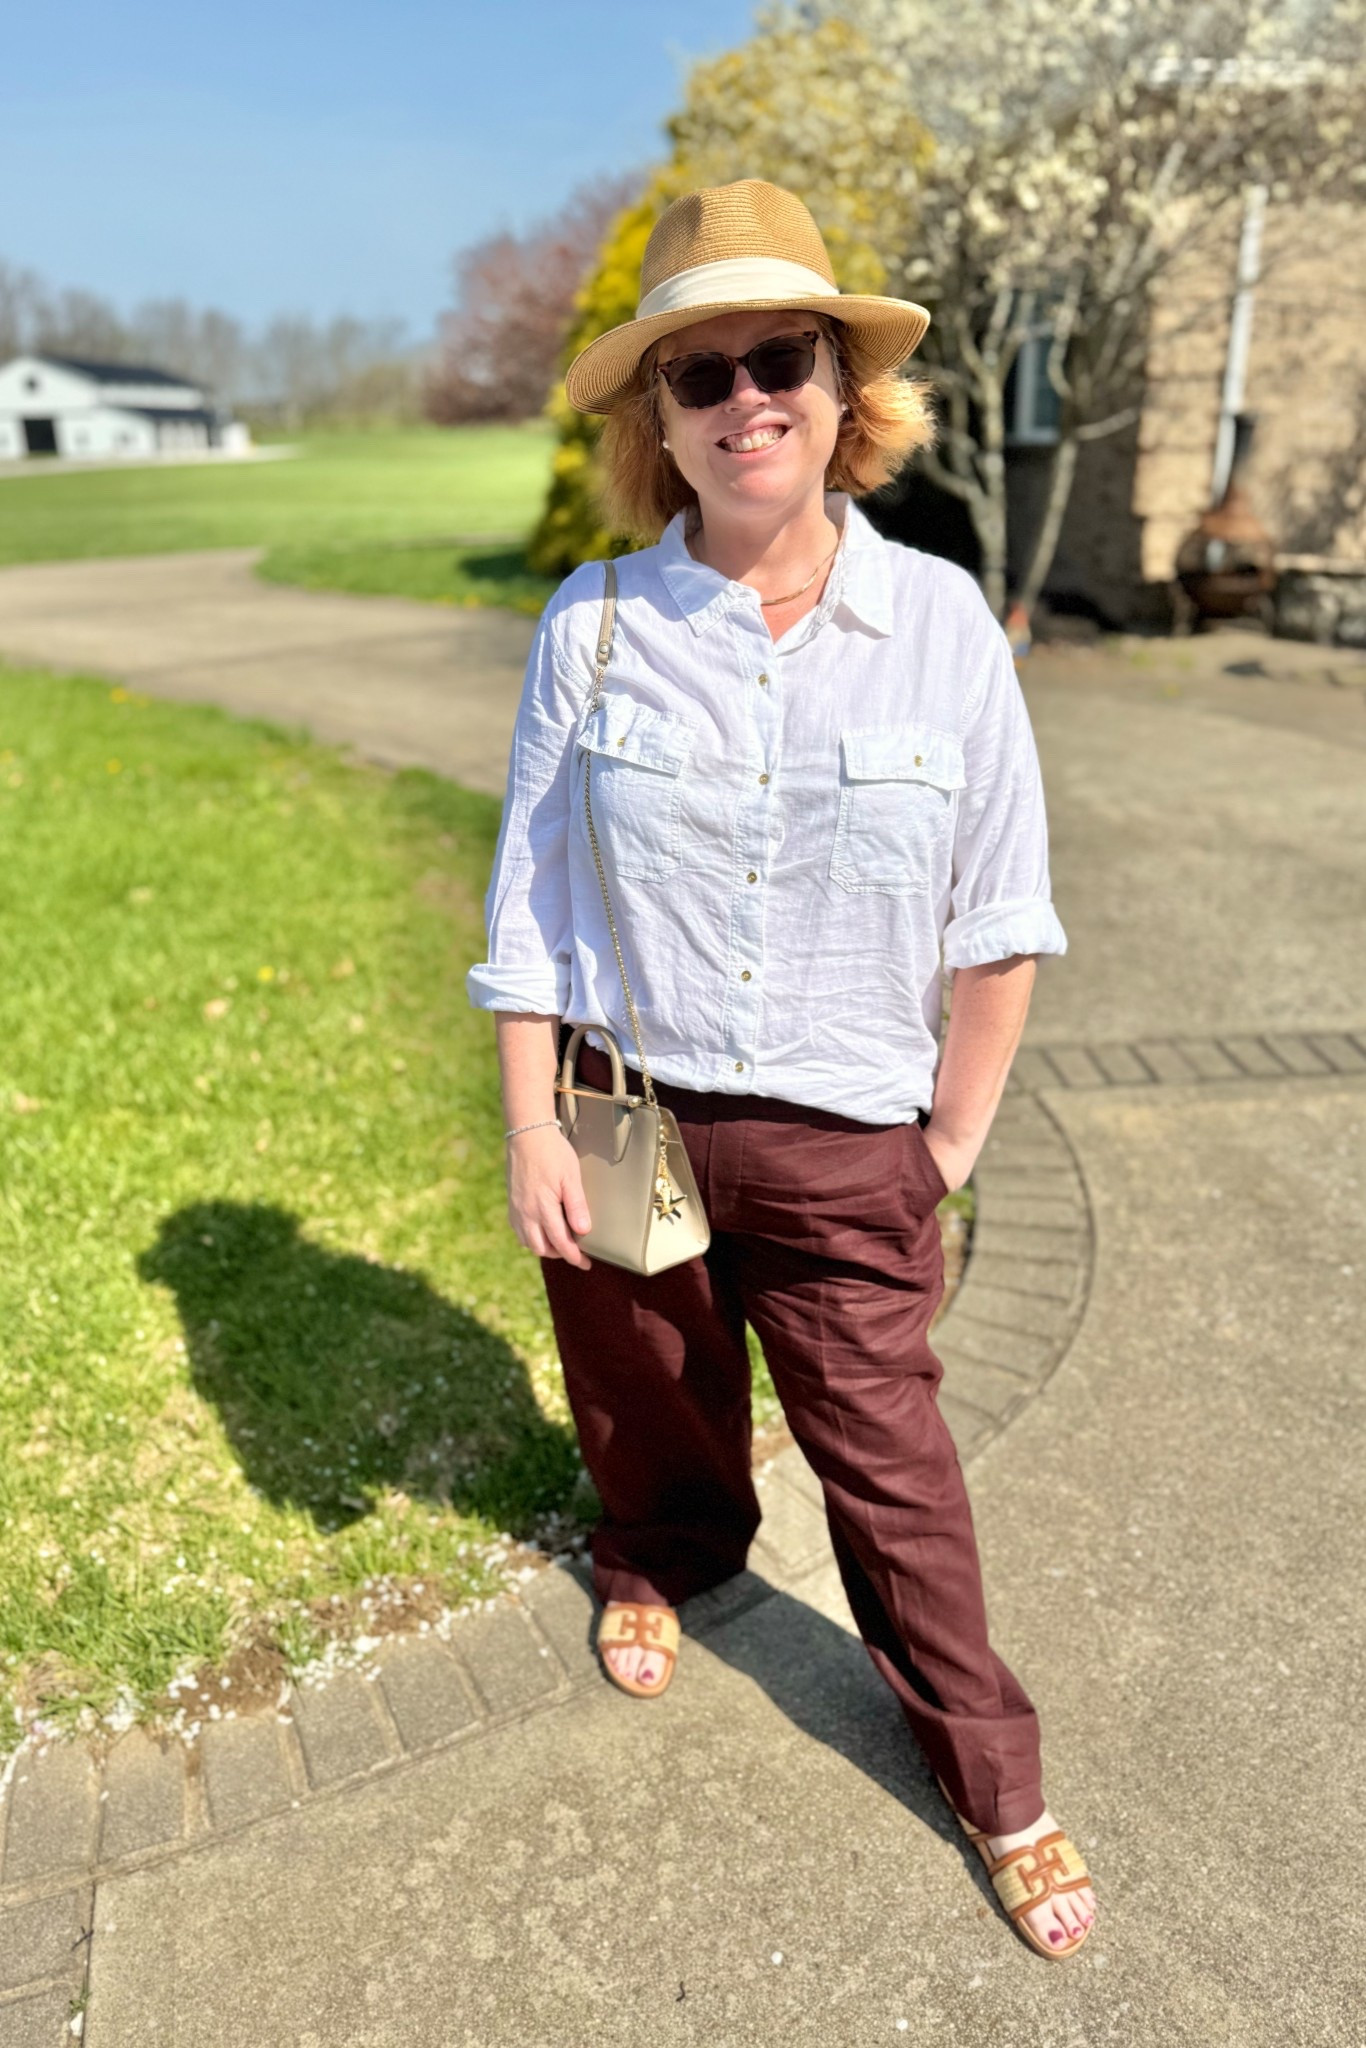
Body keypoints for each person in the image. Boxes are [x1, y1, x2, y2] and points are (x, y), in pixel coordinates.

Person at [466, 179, 1096, 1960]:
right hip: (620, 1103)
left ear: (843, 387)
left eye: (781, 358)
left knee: (891, 1461)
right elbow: (529, 906)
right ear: (656, 419)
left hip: (844, 1138)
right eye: (701, 370)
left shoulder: (948, 630)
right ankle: (657, 1554)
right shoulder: (591, 630)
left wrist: (946, 1140)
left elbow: (999, 915)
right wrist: (533, 1119)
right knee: (644, 1386)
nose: (747, 398)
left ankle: (994, 1776)